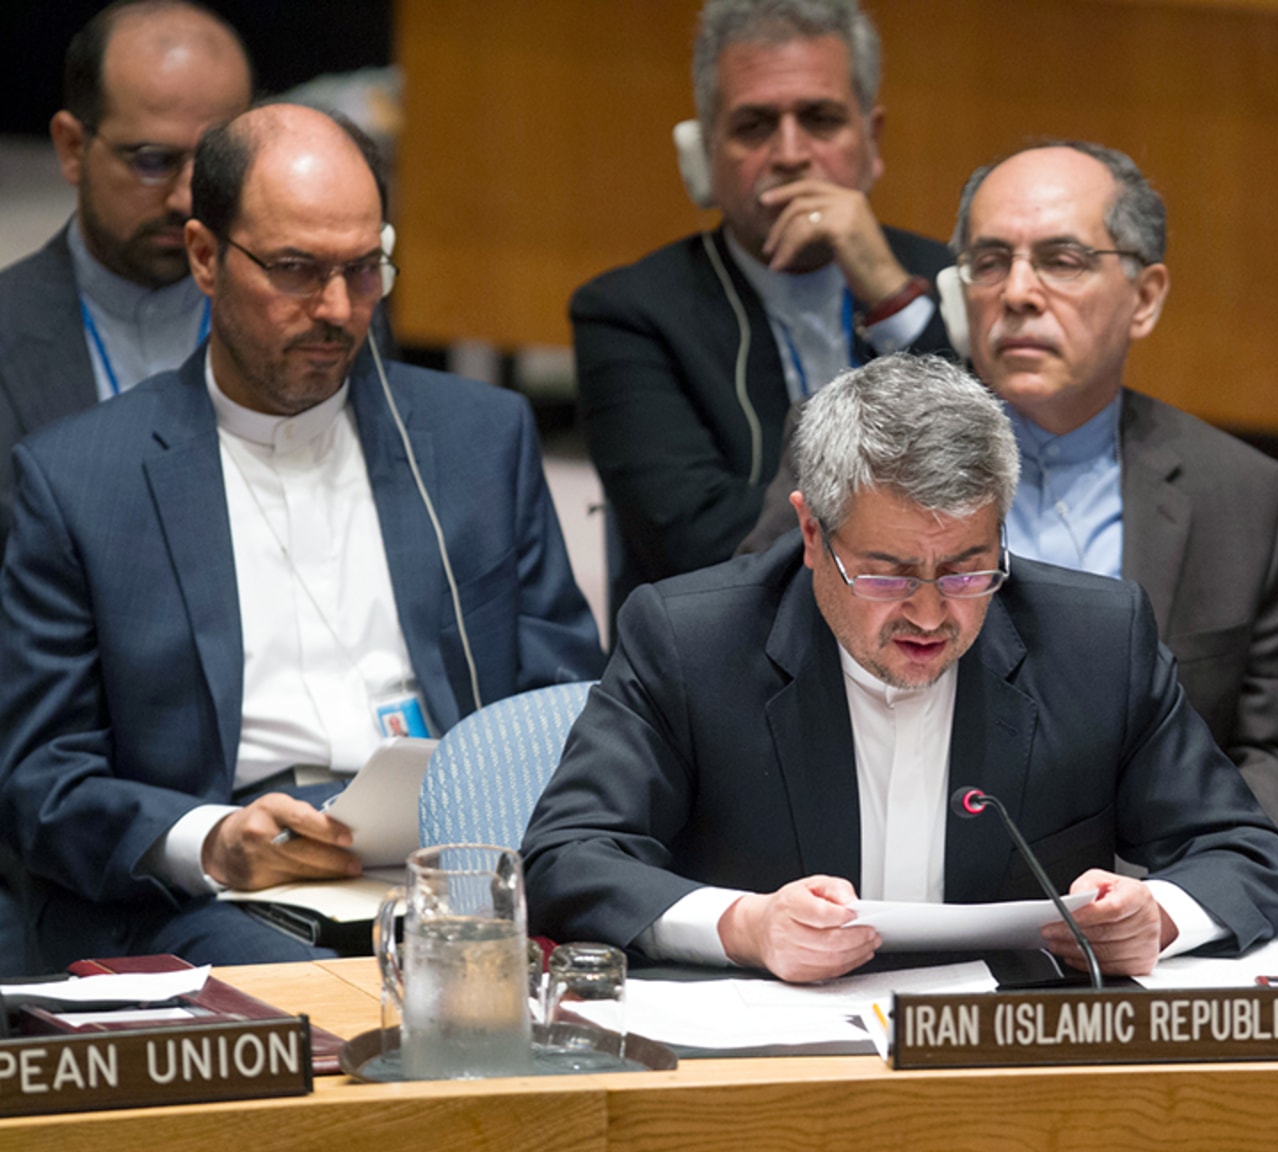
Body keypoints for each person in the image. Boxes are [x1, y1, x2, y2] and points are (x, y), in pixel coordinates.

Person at [0, 104, 605, 966]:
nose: (335, 308)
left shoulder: (477, 438)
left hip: (455, 872)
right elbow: (40, 780)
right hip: (221, 899)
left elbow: (567, 701)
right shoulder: (81, 481)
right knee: (343, 1003)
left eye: (365, 268)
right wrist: (210, 841)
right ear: (205, 258)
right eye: (295, 269)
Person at [522, 353, 1278, 983]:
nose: (930, 615)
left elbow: (1247, 852)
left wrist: (1157, 917)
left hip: (1012, 1069)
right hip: (770, 1065)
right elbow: (568, 857)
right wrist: (744, 926)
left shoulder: (1096, 640)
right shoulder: (692, 640)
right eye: (889, 574)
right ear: (809, 531)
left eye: (966, 570)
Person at [742, 142, 1278, 839]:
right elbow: (741, 660)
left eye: (1061, 261)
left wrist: (1176, 870)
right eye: (989, 263)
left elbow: (1275, 761)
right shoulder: (854, 445)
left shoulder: (1242, 496)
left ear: (1145, 297)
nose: (1016, 293)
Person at [571, 0, 951, 605]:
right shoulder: (629, 314)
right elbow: (697, 547)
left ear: (872, 140)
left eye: (821, 119)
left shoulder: (947, 277)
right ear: (704, 154)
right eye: (754, 126)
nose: (790, 153)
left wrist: (891, 297)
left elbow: (995, 488)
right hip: (722, 663)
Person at [0, 0, 251, 562]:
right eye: (152, 160)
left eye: (214, 160)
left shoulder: (316, 311)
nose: (187, 197)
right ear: (71, 148)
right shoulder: (8, 330)